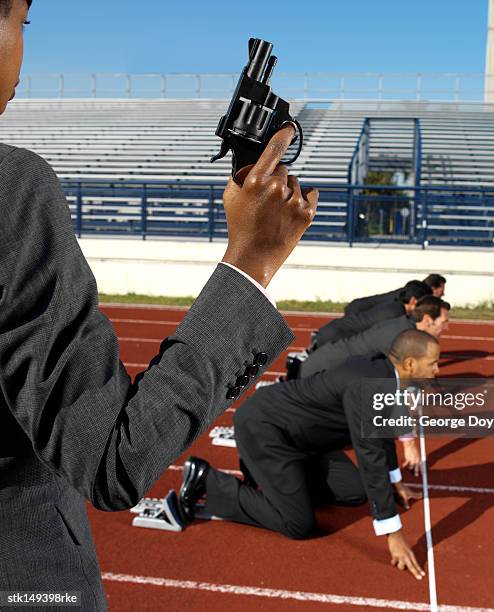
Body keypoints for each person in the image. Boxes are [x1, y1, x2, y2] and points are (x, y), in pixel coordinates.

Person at [0, 1, 318, 609]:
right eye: (23, 19)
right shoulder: (11, 191)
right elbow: (114, 458)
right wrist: (253, 260)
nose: (24, 48)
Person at [179, 329, 441, 579]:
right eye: (433, 363)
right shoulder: (370, 386)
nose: (437, 370)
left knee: (356, 491)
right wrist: (393, 532)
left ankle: (275, 483)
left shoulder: (383, 375)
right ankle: (209, 481)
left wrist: (395, 481)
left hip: (306, 440)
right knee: (298, 525)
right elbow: (369, 455)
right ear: (409, 364)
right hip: (267, 431)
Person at [301, 296, 451, 378]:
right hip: (323, 371)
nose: (446, 328)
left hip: (330, 365)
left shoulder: (404, 325)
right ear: (427, 320)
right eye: (444, 322)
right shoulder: (402, 336)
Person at [314, 280, 431, 348]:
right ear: (413, 301)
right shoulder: (396, 314)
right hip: (336, 337)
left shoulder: (395, 307)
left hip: (334, 332)